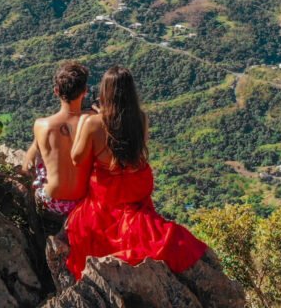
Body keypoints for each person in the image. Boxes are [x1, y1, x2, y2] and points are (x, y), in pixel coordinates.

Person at [66, 66, 209, 279]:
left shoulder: (93, 122)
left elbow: (76, 158)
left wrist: (88, 125)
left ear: (104, 92)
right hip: (137, 184)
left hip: (109, 190)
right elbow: (134, 150)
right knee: (138, 216)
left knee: (86, 221)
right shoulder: (141, 118)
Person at [22, 61, 94, 217]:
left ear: (56, 91)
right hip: (83, 201)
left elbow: (27, 163)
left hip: (52, 202)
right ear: (85, 91)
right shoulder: (93, 121)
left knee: (41, 147)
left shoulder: (41, 125)